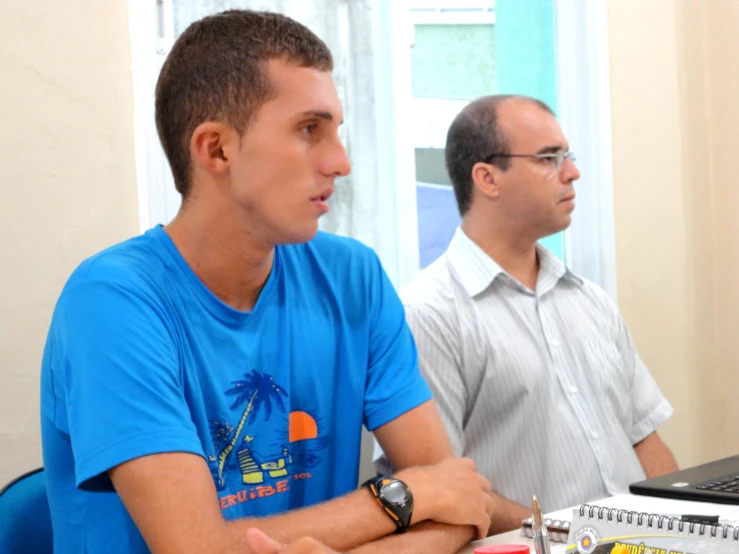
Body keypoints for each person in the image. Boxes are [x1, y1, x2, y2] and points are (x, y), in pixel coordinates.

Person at [40, 10, 495, 554]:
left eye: (336, 131)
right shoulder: (111, 302)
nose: (340, 162)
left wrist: (421, 501)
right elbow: (197, 549)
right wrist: (401, 497)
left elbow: (460, 504)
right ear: (216, 150)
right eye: (309, 130)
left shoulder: (354, 277)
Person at [376, 94, 679, 531]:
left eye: (567, 156)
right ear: (487, 178)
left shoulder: (588, 298)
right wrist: (579, 538)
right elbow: (445, 490)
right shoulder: (429, 314)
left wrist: (677, 530)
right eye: (548, 158)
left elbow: (643, 436)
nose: (571, 172)